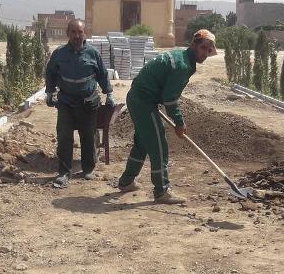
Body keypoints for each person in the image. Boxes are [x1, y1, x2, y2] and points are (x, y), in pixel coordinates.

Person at [117, 29, 217, 204]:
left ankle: (126, 182)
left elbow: (164, 93)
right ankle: (162, 191)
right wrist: (179, 122)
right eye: (203, 48)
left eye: (209, 51)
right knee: (159, 145)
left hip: (140, 98)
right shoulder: (182, 65)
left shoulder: (182, 58)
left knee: (142, 142)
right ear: (194, 44)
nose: (205, 54)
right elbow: (170, 99)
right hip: (143, 101)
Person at [45, 19, 114, 187]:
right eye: (73, 32)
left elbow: (102, 75)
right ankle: (63, 173)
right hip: (66, 102)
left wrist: (109, 93)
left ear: (85, 34)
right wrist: (49, 92)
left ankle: (88, 169)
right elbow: (51, 73)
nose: (77, 35)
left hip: (88, 102)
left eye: (80, 32)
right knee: (64, 137)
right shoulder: (59, 54)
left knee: (88, 136)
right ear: (68, 34)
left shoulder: (93, 53)